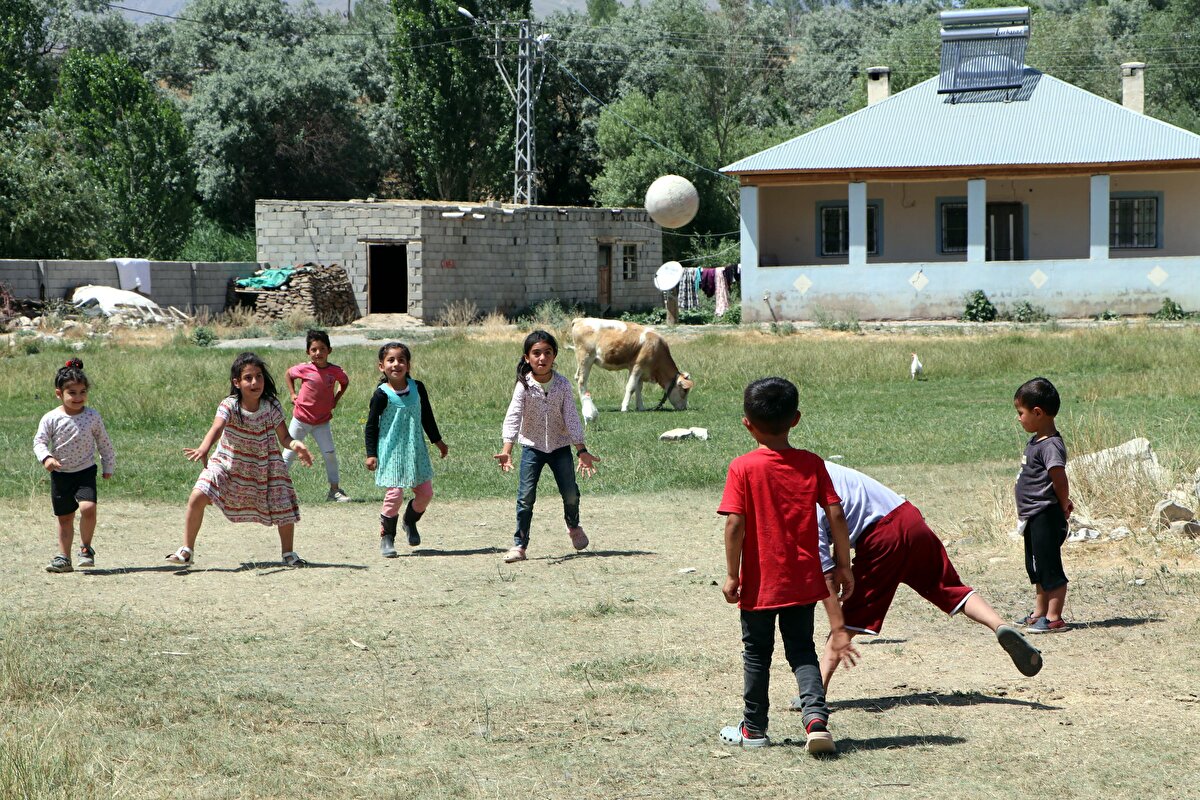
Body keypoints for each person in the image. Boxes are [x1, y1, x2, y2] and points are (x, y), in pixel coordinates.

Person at [814, 461, 1043, 694]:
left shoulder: (800, 499)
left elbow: (826, 573)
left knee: (846, 621)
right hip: (907, 516)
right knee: (950, 588)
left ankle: (815, 691)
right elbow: (842, 519)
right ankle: (1000, 626)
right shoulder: (819, 466)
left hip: (880, 538)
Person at [717, 377, 858, 755]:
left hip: (760, 583)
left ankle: (754, 729)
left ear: (747, 422)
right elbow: (836, 513)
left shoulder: (743, 467)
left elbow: (735, 524)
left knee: (757, 654)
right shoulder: (811, 463)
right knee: (802, 651)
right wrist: (844, 565)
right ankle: (815, 719)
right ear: (795, 419)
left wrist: (732, 574)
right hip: (801, 580)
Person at [168, 352, 313, 568]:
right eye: (248, 377)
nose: (255, 382)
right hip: (227, 464)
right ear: (236, 382)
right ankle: (186, 550)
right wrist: (204, 448)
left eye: (259, 376)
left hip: (265, 467)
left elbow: (284, 437)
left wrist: (295, 445)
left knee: (283, 505)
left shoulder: (271, 405)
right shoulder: (229, 405)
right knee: (198, 494)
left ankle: (288, 553)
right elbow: (217, 428)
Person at [495, 330, 599, 563]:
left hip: (560, 447)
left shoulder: (562, 384)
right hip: (532, 448)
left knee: (570, 493)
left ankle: (573, 526)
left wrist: (581, 450)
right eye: (536, 353)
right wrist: (507, 449)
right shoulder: (524, 385)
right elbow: (513, 416)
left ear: (554, 356)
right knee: (525, 497)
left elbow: (571, 416)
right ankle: (520, 545)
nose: (542, 358)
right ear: (527, 358)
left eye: (547, 353)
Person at [364, 342, 448, 556]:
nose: (396, 364)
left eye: (401, 360)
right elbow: (371, 425)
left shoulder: (417, 388)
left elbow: (427, 416)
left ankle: (409, 521)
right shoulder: (381, 394)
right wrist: (371, 454)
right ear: (381, 366)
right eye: (390, 360)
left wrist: (437, 441)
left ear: (408, 365)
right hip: (391, 451)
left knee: (426, 493)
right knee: (394, 494)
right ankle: (387, 537)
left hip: (415, 450)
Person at [33, 358, 115, 573]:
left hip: (85, 471)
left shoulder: (92, 416)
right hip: (61, 474)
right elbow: (39, 441)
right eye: (72, 393)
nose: (78, 397)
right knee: (65, 517)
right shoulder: (51, 418)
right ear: (59, 393)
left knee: (88, 508)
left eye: (82, 392)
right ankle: (64, 558)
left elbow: (104, 442)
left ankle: (86, 549)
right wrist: (46, 458)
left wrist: (108, 465)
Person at [1013, 377, 1072, 633]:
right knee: (1036, 566)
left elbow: (1059, 479)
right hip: (1032, 515)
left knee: (1049, 567)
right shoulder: (1036, 440)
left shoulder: (1050, 445)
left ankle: (1054, 616)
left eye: (1021, 413)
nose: (1019, 418)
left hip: (1045, 514)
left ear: (1037, 412)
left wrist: (1063, 503)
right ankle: (1039, 612)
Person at [283, 329, 351, 502]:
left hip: (322, 422)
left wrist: (336, 399)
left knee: (329, 454)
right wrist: (292, 394)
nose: (318, 353)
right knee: (289, 453)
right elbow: (289, 374)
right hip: (300, 419)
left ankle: (334, 490)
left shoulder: (335, 371)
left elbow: (344, 382)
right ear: (308, 352)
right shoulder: (304, 369)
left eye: (322, 349)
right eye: (314, 350)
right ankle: (276, 491)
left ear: (329, 350)